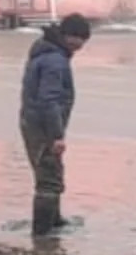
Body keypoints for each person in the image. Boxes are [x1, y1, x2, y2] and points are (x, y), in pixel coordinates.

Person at [19, 13, 90, 237]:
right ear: (71, 37)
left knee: (51, 171)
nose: (82, 46)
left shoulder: (46, 51)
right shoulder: (55, 61)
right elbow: (49, 100)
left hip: (32, 122)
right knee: (49, 178)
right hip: (43, 128)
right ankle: (43, 234)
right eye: (81, 40)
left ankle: (55, 221)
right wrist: (57, 135)